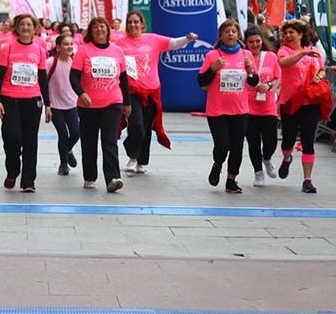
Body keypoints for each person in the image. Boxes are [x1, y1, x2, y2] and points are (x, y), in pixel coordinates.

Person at [115, 11, 197, 175]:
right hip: (131, 91)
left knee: (146, 127)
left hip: (152, 91)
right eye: (130, 22)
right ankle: (132, 155)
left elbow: (173, 43)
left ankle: (141, 161)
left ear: (142, 24)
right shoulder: (119, 43)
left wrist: (187, 38)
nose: (133, 25)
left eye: (136, 22)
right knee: (136, 125)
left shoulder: (153, 39)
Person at [198, 20, 258, 194]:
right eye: (227, 31)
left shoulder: (246, 55)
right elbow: (201, 81)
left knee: (237, 147)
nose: (230, 34)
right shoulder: (212, 56)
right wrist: (213, 69)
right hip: (217, 110)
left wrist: (250, 70)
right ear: (221, 36)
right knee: (222, 145)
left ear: (238, 35)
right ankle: (218, 164)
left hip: (240, 110)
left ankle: (231, 179)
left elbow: (254, 82)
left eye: (233, 31)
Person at [71, 16, 129, 192]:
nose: (99, 29)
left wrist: (127, 102)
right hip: (87, 105)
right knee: (89, 142)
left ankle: (112, 177)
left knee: (109, 141)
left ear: (108, 30)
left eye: (102, 26)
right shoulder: (83, 50)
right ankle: (89, 176)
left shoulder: (117, 51)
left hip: (112, 102)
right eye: (95, 27)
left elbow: (124, 80)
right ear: (91, 31)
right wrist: (81, 93)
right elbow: (73, 77)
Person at [0, 13, 50, 192]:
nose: (26, 28)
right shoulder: (8, 48)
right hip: (10, 99)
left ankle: (28, 180)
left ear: (35, 29)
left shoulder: (39, 50)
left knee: (30, 141)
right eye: (22, 25)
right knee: (11, 138)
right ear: (17, 28)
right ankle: (12, 170)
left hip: (32, 101)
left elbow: (42, 79)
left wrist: (48, 104)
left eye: (29, 25)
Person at [276, 19, 325, 193]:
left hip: (310, 102)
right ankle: (287, 158)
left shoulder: (314, 50)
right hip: (290, 102)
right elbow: (284, 63)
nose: (288, 36)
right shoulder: (284, 51)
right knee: (288, 140)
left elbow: (322, 68)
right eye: (286, 33)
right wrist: (302, 55)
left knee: (308, 141)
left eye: (292, 33)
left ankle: (307, 180)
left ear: (301, 35)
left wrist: (319, 76)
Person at [244, 26, 281, 186]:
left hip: (268, 107)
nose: (255, 44)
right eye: (251, 42)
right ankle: (258, 173)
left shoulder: (271, 57)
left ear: (262, 41)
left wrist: (269, 85)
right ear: (246, 43)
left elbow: (278, 78)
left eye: (257, 41)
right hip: (248, 107)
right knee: (253, 143)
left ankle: (267, 158)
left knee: (271, 140)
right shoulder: (243, 57)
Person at [46, 33, 80, 175]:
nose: (69, 46)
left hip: (72, 105)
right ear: (58, 47)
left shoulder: (75, 62)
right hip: (55, 106)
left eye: (71, 44)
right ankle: (63, 164)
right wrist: (46, 104)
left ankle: (68, 150)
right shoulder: (50, 62)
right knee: (63, 134)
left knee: (75, 134)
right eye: (66, 44)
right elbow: (42, 82)